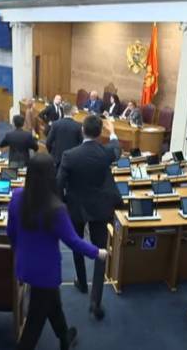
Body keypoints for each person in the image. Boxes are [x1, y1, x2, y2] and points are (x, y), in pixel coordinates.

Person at [7, 152, 108, 350]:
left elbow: (11, 232)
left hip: (24, 265)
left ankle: (64, 337)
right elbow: (73, 241)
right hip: (46, 273)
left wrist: (20, 251)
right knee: (33, 325)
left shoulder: (17, 196)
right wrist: (97, 252)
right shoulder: (55, 208)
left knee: (53, 304)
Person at [57, 116, 123, 320]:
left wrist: (64, 202)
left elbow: (58, 185)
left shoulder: (69, 155)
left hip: (76, 207)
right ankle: (96, 300)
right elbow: (117, 149)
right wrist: (112, 130)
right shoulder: (106, 153)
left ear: (82, 130)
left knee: (77, 243)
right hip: (100, 208)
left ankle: (82, 282)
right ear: (100, 133)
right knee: (101, 251)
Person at [46, 102, 83, 168]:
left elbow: (48, 142)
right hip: (71, 159)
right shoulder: (78, 126)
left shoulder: (55, 124)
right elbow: (80, 144)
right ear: (72, 112)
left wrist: (52, 152)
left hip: (56, 158)